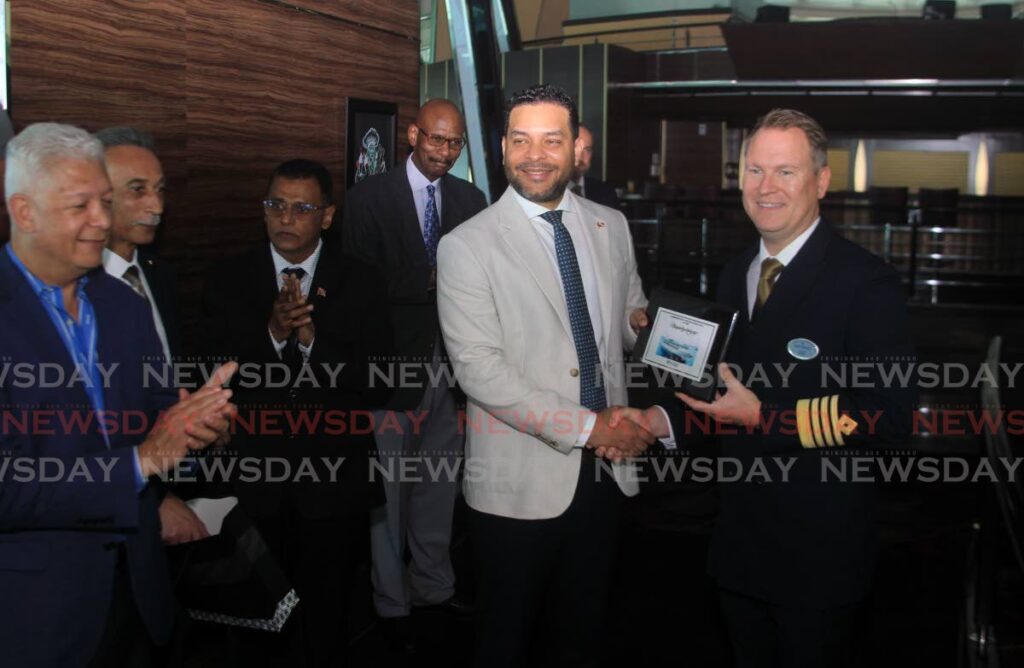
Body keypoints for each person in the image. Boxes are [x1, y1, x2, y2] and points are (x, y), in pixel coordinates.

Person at [619, 109, 917, 667]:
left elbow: (888, 414)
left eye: (785, 172)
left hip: (817, 553)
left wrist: (768, 417)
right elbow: (723, 395)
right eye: (754, 171)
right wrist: (658, 424)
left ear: (821, 181)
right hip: (738, 544)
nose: (766, 188)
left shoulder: (865, 283)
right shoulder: (736, 275)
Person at [0, 122, 235, 666]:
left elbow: (158, 420)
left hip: (139, 596)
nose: (102, 221)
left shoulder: (124, 304)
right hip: (34, 616)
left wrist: (196, 425)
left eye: (105, 201)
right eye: (80, 205)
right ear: (24, 212)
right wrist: (143, 459)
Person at [435, 84, 653, 667]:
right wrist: (591, 428)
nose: (536, 154)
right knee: (504, 641)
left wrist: (643, 328)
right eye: (521, 140)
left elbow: (628, 323)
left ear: (576, 146)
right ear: (503, 146)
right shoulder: (466, 246)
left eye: (551, 139)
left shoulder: (612, 226)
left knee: (584, 633)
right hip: (517, 484)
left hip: (608, 476)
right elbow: (479, 371)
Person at [203, 159, 392, 667]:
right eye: (276, 205)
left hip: (334, 481)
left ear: (326, 216)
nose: (286, 218)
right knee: (256, 621)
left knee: (328, 620)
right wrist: (272, 334)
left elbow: (382, 381)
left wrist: (313, 341)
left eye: (301, 208)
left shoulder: (362, 282)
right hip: (254, 479)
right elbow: (209, 371)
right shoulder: (227, 279)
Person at [342, 98, 488, 644]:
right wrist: (431, 282)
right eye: (436, 140)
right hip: (388, 367)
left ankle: (434, 588)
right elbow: (358, 288)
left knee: (436, 485)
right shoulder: (367, 199)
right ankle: (390, 600)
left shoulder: (471, 199)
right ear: (412, 135)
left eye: (454, 144)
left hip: (450, 366)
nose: (444, 152)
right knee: (389, 491)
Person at [95, 127, 206, 550]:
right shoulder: (71, 295)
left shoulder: (159, 274)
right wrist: (153, 499)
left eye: (159, 190)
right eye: (137, 190)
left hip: (181, 475)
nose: (156, 206)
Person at [570, 124, 620, 209]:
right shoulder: (546, 192)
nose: (581, 156)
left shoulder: (606, 192)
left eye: (587, 150)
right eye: (576, 148)